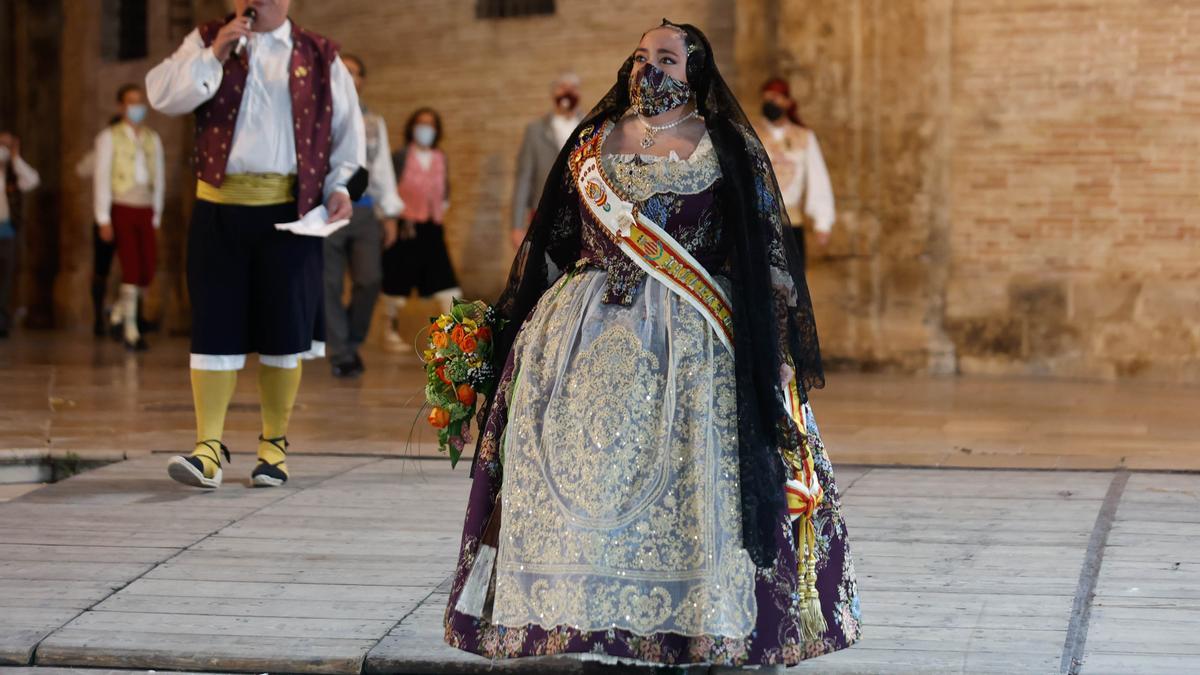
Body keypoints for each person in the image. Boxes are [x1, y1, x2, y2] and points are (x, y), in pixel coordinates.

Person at [443, 21, 860, 670]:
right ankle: (568, 612)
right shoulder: (590, 144)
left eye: (667, 58)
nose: (650, 69)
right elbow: (551, 246)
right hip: (579, 334)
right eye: (642, 57)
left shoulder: (724, 150)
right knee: (572, 479)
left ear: (696, 72)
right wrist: (507, 336)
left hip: (694, 340)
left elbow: (761, 259)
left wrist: (772, 341)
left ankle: (696, 625)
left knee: (693, 482)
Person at [146, 0, 364, 488]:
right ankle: (208, 449)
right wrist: (215, 53)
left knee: (284, 330)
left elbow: (349, 135)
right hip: (218, 208)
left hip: (290, 211)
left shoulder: (320, 54)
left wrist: (342, 187)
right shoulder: (207, 40)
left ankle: (274, 447)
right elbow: (162, 95)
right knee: (214, 328)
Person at [323, 54, 402, 378]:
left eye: (354, 72)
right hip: (325, 209)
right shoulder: (316, 117)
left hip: (365, 208)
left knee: (369, 280)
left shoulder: (373, 121)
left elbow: (381, 167)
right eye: (341, 71)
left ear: (362, 81)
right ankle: (341, 353)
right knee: (327, 284)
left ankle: (351, 340)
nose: (348, 77)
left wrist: (391, 213)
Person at [93, 84, 165, 351]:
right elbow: (101, 178)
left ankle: (116, 313)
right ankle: (131, 330)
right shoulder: (108, 137)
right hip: (122, 204)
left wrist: (156, 214)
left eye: (139, 102)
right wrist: (103, 217)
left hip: (145, 205)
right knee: (131, 267)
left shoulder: (152, 138)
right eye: (131, 102)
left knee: (147, 268)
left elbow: (159, 176)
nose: (136, 108)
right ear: (121, 106)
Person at [381, 108, 459, 351]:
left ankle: (451, 335)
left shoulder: (440, 157)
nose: (425, 129)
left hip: (432, 226)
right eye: (420, 123)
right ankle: (388, 330)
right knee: (395, 281)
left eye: (430, 124)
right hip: (406, 227)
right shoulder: (401, 156)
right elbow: (388, 186)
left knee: (445, 281)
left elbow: (444, 188)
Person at [758, 77, 835, 271]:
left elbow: (818, 178)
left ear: (787, 101)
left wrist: (822, 221)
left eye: (775, 98)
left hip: (791, 223)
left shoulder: (803, 137)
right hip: (760, 222)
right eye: (766, 98)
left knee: (794, 286)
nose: (771, 103)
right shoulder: (752, 134)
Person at [510, 72, 583, 250]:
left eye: (572, 88)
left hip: (582, 213)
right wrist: (517, 225)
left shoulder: (589, 125)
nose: (567, 93)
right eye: (561, 87)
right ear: (553, 94)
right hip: (544, 213)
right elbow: (524, 178)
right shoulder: (535, 131)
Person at [0, 132, 40, 338]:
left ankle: (2, 322)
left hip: (6, 230)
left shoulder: (13, 172)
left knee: (6, 278)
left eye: (8, 145)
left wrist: (15, 158)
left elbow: (33, 180)